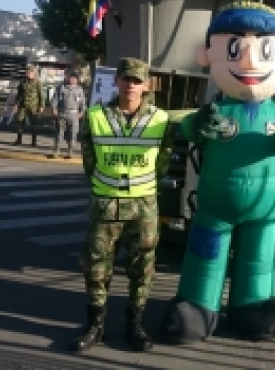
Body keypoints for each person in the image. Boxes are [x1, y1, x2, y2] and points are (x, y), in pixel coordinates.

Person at [159, 0, 275, 345]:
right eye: (234, 47)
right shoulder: (215, 110)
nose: (250, 61)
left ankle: (252, 307)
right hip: (214, 208)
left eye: (265, 48)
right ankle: (197, 307)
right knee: (205, 257)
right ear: (207, 55)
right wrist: (199, 124)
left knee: (258, 261)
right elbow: (186, 128)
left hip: (264, 212)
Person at [72, 57, 173, 353]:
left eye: (137, 80)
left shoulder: (161, 120)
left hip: (143, 208)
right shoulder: (95, 116)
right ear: (116, 81)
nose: (131, 85)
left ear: (147, 86)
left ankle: (135, 325)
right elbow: (89, 162)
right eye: (126, 79)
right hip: (105, 205)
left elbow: (163, 164)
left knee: (142, 268)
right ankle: (96, 325)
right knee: (96, 267)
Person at [52, 71, 86, 158]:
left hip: (74, 114)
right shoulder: (62, 87)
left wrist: (82, 112)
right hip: (62, 113)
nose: (72, 80)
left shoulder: (79, 89)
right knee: (59, 133)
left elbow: (83, 103)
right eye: (71, 78)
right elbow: (55, 99)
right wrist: (54, 109)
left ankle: (70, 152)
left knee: (73, 133)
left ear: (77, 80)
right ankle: (56, 151)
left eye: (74, 78)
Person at [14, 65, 45, 146]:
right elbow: (19, 94)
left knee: (34, 124)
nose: (28, 74)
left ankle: (34, 141)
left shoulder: (37, 82)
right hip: (23, 105)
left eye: (30, 72)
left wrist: (41, 106)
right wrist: (16, 104)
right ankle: (19, 139)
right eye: (27, 72)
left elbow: (41, 95)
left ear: (34, 73)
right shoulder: (23, 82)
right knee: (20, 121)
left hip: (33, 106)